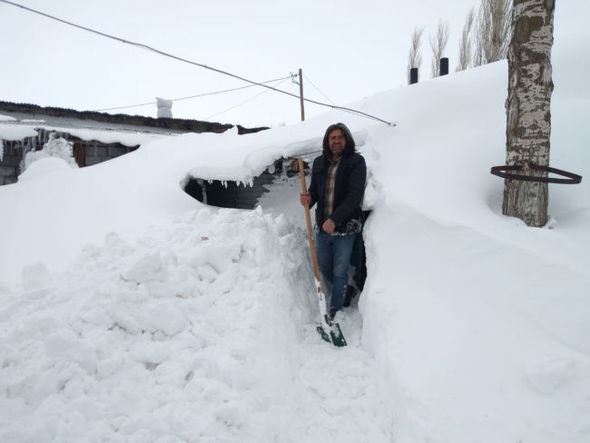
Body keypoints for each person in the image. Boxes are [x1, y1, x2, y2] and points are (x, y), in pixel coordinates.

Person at [300, 122, 367, 320]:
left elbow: (354, 196)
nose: (336, 141)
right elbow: (315, 191)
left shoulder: (356, 162)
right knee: (324, 267)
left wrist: (334, 219)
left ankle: (334, 311)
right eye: (332, 138)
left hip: (345, 229)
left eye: (340, 137)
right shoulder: (319, 163)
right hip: (323, 228)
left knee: (340, 271)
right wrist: (308, 199)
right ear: (327, 141)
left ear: (347, 140)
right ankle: (346, 291)